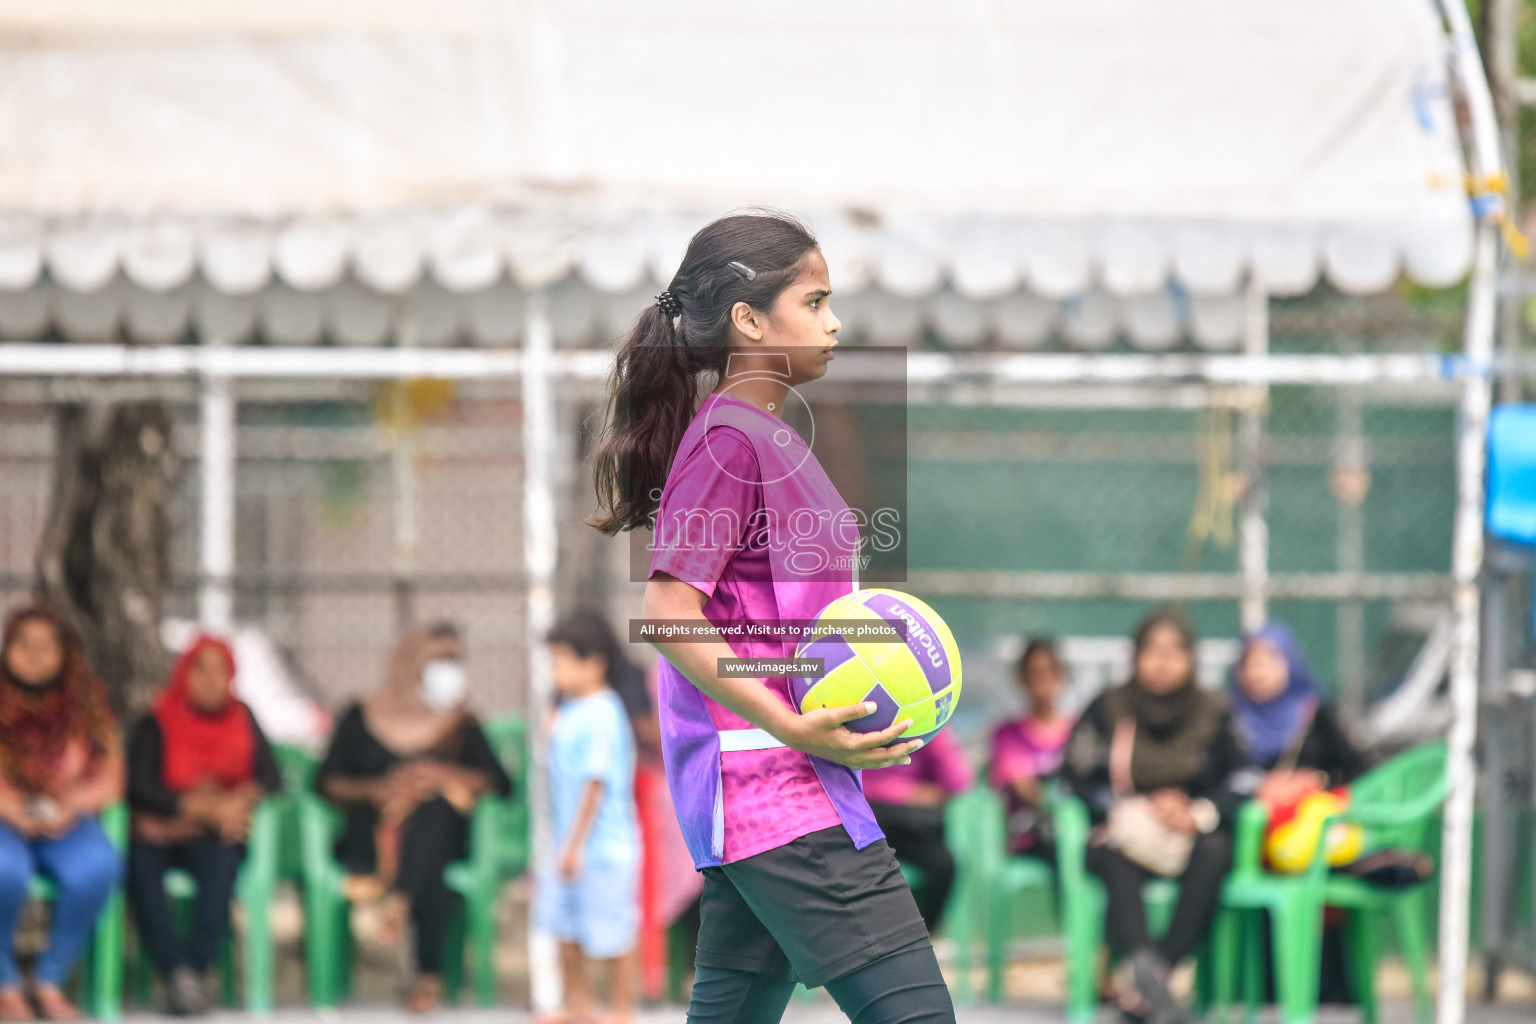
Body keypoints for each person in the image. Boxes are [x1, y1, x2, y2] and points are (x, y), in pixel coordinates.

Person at [589, 212, 954, 1024]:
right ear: (751, 322)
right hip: (779, 794)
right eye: (816, 302)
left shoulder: (765, 436)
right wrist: (794, 730)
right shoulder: (727, 441)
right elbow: (668, 609)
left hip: (780, 790)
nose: (835, 323)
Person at [1061, 609, 1257, 1024]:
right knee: (1114, 858)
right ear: (1135, 655)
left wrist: (1197, 812)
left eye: (1175, 651)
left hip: (1189, 833)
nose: (1163, 661)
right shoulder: (1110, 706)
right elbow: (1071, 777)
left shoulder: (1212, 709)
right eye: (1152, 650)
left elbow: (1242, 779)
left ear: (1192, 658)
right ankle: (1154, 985)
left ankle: (1153, 980)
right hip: (1124, 833)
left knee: (1216, 850)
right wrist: (1119, 806)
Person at [312, 621, 512, 1013]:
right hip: (371, 838)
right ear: (410, 662)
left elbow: (502, 784)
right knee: (429, 863)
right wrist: (378, 790)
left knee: (434, 814)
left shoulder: (461, 723)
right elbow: (324, 782)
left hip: (442, 840)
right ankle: (426, 977)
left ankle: (399, 908)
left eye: (456, 660)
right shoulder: (362, 715)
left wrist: (445, 776)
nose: (450, 670)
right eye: (440, 660)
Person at [125, 633, 282, 1016]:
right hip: (160, 832)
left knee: (221, 865)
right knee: (140, 870)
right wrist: (193, 806)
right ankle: (174, 970)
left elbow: (270, 776)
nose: (212, 679)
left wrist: (236, 800)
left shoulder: (243, 718)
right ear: (183, 672)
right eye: (201, 668)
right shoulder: (158, 718)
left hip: (215, 834)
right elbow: (139, 786)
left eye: (221, 670)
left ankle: (193, 972)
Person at [1228, 621, 1366, 1006]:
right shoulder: (1230, 720)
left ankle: (1328, 988)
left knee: (1313, 883)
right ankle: (1255, 987)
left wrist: (1315, 783)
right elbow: (1215, 777)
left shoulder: (1315, 715)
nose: (1257, 674)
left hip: (1309, 847)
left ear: (1290, 664)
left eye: (1268, 662)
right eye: (1249, 664)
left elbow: (1359, 771)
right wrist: (1262, 787)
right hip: (1250, 846)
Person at [0, 603, 124, 1022]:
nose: (34, 655)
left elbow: (110, 777)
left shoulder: (86, 702)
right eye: (23, 644)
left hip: (66, 816)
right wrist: (10, 805)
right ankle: (5, 983)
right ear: (7, 648)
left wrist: (72, 803)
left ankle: (50, 978)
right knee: (5, 871)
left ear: (64, 653)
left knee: (98, 866)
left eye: (46, 646)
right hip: (3, 815)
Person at [538, 613, 641, 1024]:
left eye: (561, 660)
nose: (555, 670)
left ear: (594, 662)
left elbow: (593, 785)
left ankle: (619, 1012)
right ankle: (578, 1006)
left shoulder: (603, 712)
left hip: (601, 849)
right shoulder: (568, 709)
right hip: (568, 845)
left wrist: (574, 846)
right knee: (565, 931)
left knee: (612, 936)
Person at [861, 729, 972, 934]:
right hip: (867, 821)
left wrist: (935, 730)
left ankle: (928, 933)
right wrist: (906, 793)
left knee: (944, 864)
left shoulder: (926, 727)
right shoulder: (859, 725)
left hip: (914, 830)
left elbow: (957, 781)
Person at [989, 638, 1074, 862]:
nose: (1042, 680)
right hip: (1029, 838)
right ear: (1022, 679)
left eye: (1048, 671)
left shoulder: (1079, 730)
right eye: (1034, 673)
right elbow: (1023, 787)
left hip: (1071, 833)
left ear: (1061, 675)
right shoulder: (1007, 734)